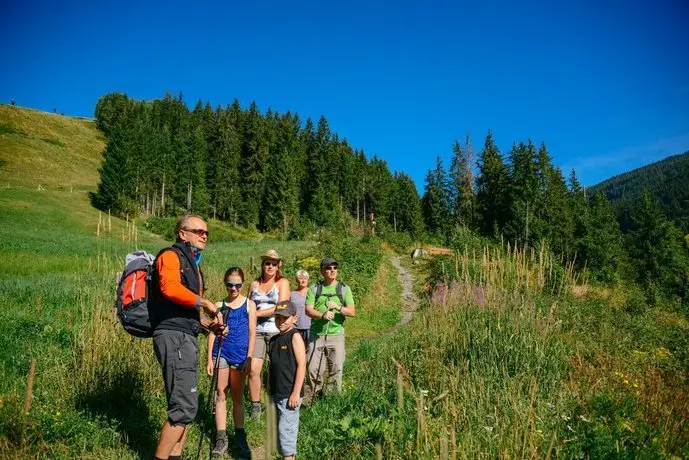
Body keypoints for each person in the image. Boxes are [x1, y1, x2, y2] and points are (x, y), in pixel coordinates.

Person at [149, 214, 224, 460]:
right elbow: (168, 288)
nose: (204, 235)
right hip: (174, 337)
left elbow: (186, 313)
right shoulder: (170, 256)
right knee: (183, 408)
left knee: (186, 406)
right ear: (182, 233)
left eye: (206, 232)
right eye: (198, 231)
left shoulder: (193, 264)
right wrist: (204, 302)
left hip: (185, 335)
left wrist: (207, 325)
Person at [207, 267, 256, 458]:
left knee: (237, 397)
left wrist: (249, 357)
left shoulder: (249, 305)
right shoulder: (219, 304)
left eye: (237, 285)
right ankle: (221, 437)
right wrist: (209, 358)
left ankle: (240, 434)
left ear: (242, 284)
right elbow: (212, 331)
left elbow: (252, 332)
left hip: (241, 355)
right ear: (225, 284)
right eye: (229, 285)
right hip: (222, 353)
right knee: (220, 393)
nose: (233, 289)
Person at [305, 257, 356, 397]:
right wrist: (322, 315)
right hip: (316, 334)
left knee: (336, 369)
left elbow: (352, 311)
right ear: (322, 271)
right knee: (312, 369)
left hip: (337, 334)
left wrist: (338, 307)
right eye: (328, 268)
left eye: (334, 267)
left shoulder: (344, 289)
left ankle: (333, 400)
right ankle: (318, 394)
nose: (332, 270)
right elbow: (308, 310)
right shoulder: (314, 288)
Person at [248, 249, 290, 418]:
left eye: (274, 263)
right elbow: (249, 305)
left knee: (276, 368)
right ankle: (255, 405)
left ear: (278, 265)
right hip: (257, 332)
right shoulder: (254, 284)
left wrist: (257, 314)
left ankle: (277, 400)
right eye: (267, 263)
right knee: (253, 369)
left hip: (276, 331)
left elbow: (282, 307)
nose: (270, 266)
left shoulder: (282, 283)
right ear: (262, 265)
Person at [268, 302, 306, 460]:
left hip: (290, 393)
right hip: (277, 392)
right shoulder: (273, 340)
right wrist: (269, 389)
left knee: (286, 434)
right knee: (280, 433)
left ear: (294, 318)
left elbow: (302, 364)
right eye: (277, 317)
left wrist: (296, 393)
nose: (281, 321)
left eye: (285, 318)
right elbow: (271, 366)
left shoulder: (295, 336)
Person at [290, 270, 311, 345]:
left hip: (310, 327)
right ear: (296, 280)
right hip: (295, 327)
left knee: (310, 352)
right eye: (300, 278)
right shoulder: (291, 294)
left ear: (308, 279)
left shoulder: (312, 293)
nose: (303, 280)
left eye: (305, 278)